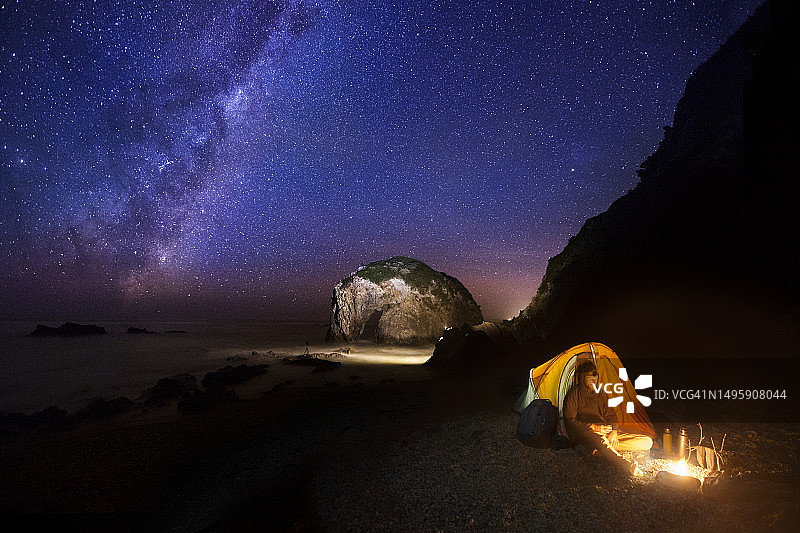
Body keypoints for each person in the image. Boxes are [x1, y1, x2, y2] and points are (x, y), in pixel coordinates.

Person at [563, 360, 653, 476]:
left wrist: (614, 432)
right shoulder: (574, 393)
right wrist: (593, 427)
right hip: (587, 432)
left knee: (647, 442)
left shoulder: (600, 393)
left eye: (595, 376)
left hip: (605, 432)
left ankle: (601, 449)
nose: (593, 379)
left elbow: (611, 415)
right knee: (598, 439)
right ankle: (626, 464)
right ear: (582, 378)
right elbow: (569, 420)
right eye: (589, 376)